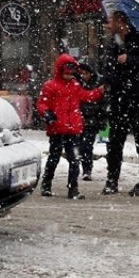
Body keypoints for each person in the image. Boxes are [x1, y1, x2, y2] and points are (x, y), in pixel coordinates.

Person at [101, 10, 139, 196]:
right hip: (119, 100)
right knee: (114, 141)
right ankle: (112, 180)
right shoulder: (114, 45)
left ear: (121, 21)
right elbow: (109, 69)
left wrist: (131, 60)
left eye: (111, 20)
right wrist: (106, 82)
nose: (108, 23)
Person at [35, 54, 104, 200]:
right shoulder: (50, 86)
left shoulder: (74, 85)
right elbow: (42, 104)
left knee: (74, 160)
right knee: (54, 158)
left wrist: (99, 92)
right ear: (60, 70)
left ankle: (73, 188)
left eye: (70, 73)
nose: (68, 76)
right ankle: (47, 184)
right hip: (58, 129)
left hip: (72, 130)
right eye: (66, 73)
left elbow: (87, 96)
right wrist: (47, 113)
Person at [74, 59, 108, 182]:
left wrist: (101, 119)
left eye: (86, 73)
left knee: (86, 146)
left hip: (91, 121)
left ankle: (87, 170)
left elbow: (102, 104)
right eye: (82, 74)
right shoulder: (76, 85)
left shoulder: (96, 85)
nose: (84, 76)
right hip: (79, 120)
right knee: (80, 146)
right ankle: (82, 169)